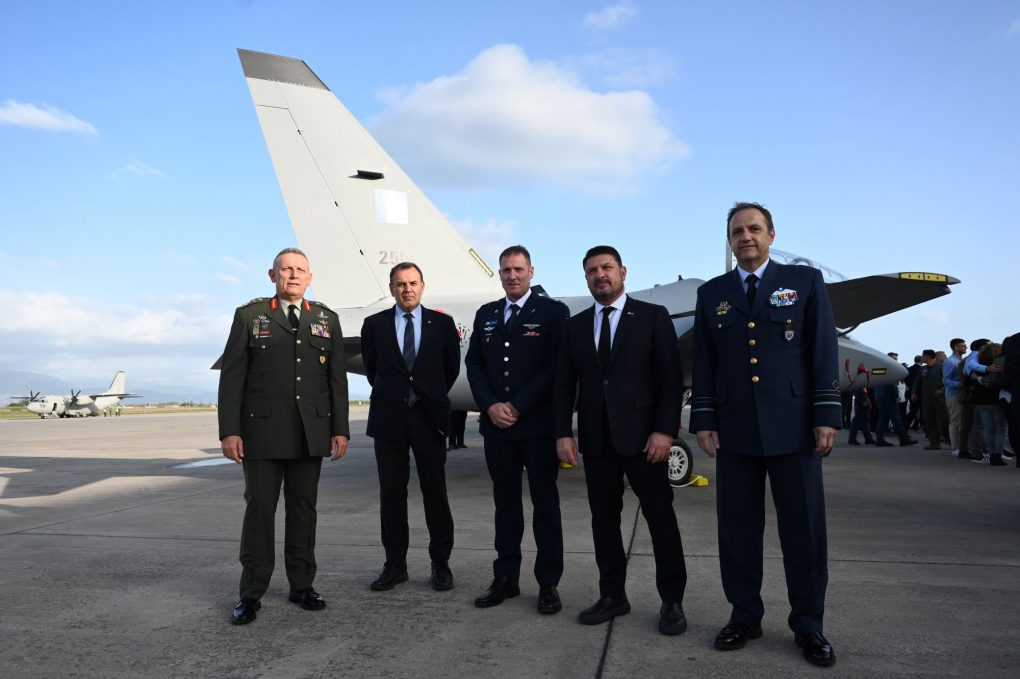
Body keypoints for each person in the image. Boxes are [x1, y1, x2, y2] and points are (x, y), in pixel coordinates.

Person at [690, 202, 840, 667]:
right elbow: (705, 361)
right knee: (737, 531)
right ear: (730, 240)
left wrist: (825, 414)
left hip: (794, 428)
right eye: (738, 231)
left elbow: (822, 349)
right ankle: (744, 615)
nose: (746, 236)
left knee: (804, 532)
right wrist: (704, 418)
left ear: (771, 235)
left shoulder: (804, 283)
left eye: (754, 228)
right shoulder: (712, 293)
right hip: (735, 429)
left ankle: (809, 625)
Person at [553, 245, 689, 636]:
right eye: (592, 270)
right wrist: (563, 433)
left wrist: (664, 430)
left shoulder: (652, 317)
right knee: (604, 523)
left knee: (661, 520)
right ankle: (613, 595)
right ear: (586, 278)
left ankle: (672, 600)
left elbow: (670, 379)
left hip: (646, 441)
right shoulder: (575, 326)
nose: (600, 275)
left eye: (607, 268)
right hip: (597, 443)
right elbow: (564, 385)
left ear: (623, 272)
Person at [218, 247, 350, 625]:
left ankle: (302, 585)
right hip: (261, 434)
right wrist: (230, 431)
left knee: (303, 511)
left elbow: (336, 380)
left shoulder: (325, 319)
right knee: (259, 512)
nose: (293, 275)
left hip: (310, 434)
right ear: (272, 275)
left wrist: (340, 429)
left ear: (310, 278)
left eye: (300, 270)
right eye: (286, 269)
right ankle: (251, 593)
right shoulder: (250, 316)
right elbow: (232, 378)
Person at [465, 245, 569, 614]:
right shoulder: (487, 314)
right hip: (498, 430)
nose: (512, 276)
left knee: (545, 507)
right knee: (505, 506)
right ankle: (506, 578)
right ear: (500, 273)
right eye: (506, 270)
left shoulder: (553, 313)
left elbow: (555, 367)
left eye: (519, 269)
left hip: (537, 427)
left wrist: (518, 405)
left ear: (531, 272)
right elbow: (474, 364)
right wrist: (490, 405)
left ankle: (548, 583)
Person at [361, 262, 461, 592]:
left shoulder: (442, 324)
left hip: (428, 418)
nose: (407, 289)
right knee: (392, 493)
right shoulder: (374, 325)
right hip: (389, 418)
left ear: (422, 286)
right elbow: (373, 370)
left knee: (436, 492)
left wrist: (425, 395)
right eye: (401, 284)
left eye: (413, 283)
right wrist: (398, 395)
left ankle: (440, 563)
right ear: (392, 288)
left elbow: (450, 369)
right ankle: (395, 565)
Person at [912, 350, 949, 450]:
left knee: (945, 419)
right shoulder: (923, 369)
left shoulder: (941, 367)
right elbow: (917, 381)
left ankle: (950, 440)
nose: (921, 357)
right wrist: (914, 393)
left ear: (927, 357)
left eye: (923, 356)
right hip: (926, 399)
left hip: (940, 398)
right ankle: (934, 443)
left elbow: (947, 380)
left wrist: (942, 390)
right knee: (929, 420)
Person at [943, 338, 967, 456]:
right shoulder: (950, 362)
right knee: (955, 421)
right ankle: (955, 447)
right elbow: (946, 380)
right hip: (953, 395)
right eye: (963, 345)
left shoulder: (960, 360)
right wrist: (961, 384)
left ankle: (960, 446)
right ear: (956, 347)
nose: (965, 347)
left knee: (961, 421)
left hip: (961, 394)